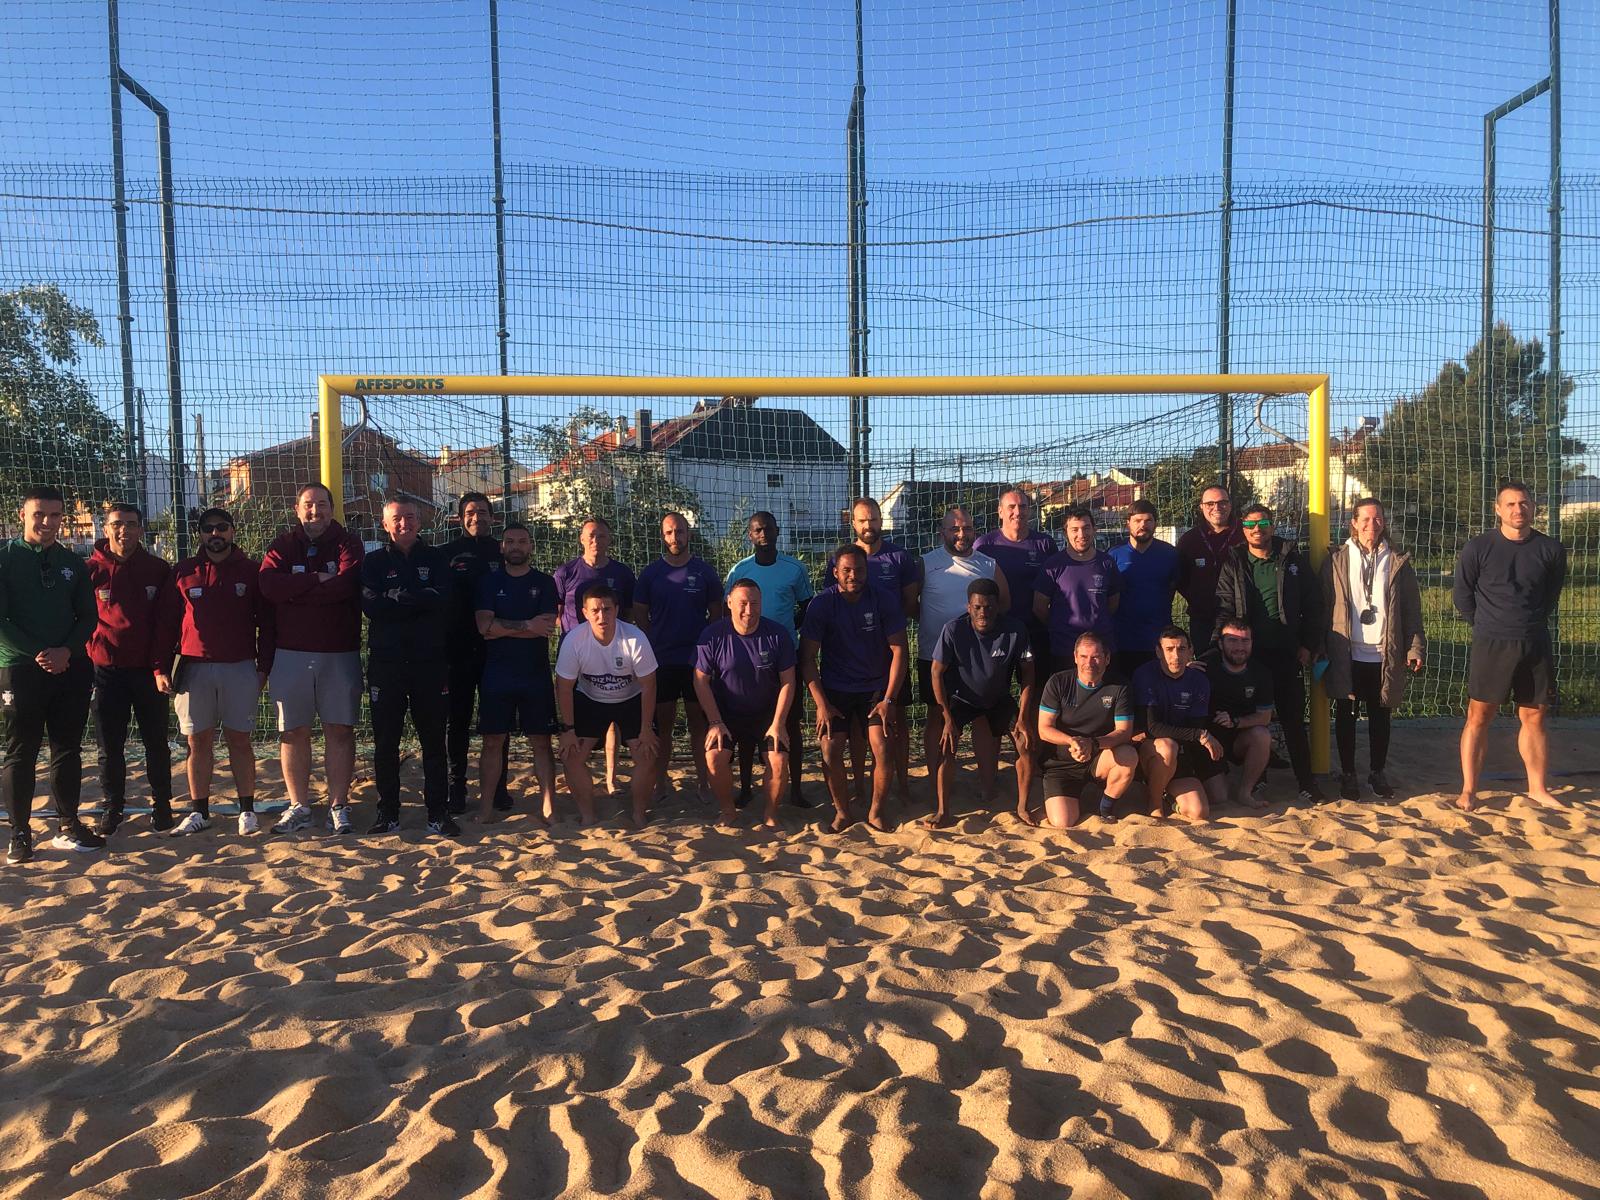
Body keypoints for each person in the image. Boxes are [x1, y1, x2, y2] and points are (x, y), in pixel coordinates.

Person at [156, 508, 272, 836]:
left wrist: (263, 668)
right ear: (200, 534)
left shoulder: (251, 572)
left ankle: (247, 809)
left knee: (240, 739)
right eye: (208, 529)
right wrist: (159, 669)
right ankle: (199, 812)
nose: (215, 534)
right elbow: (165, 626)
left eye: (222, 527)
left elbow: (267, 624)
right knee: (197, 741)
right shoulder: (183, 572)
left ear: (233, 531)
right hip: (193, 669)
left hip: (239, 667)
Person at [1, 486, 102, 863]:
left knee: (67, 747)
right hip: (20, 668)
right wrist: (40, 653)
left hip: (68, 666)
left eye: (55, 515)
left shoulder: (72, 561)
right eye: (39, 514)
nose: (47, 522)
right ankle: (20, 833)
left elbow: (88, 617)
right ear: (23, 515)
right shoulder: (5, 559)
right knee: (21, 751)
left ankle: (68, 824)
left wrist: (66, 651)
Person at [1454, 480, 1567, 812]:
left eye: (1524, 503)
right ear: (1498, 509)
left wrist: (1526, 623)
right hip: (1491, 641)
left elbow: (1550, 597)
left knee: (1534, 716)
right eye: (1511, 504)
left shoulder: (1551, 550)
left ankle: (1538, 788)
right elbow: (1462, 595)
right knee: (1479, 715)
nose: (1519, 510)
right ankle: (1469, 790)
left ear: (1533, 507)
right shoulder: (1479, 547)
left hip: (1534, 641)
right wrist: (1487, 625)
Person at [259, 482, 365, 836]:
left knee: (339, 729)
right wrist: (317, 580)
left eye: (321, 504)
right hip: (290, 652)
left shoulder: (349, 543)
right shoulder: (283, 545)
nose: (314, 511)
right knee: (293, 732)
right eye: (308, 505)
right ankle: (299, 806)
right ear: (297, 508)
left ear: (332, 509)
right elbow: (269, 587)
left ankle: (338, 805)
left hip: (340, 651)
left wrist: (297, 588)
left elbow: (345, 586)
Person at [1214, 502, 1324, 801]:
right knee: (1253, 718)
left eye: (1262, 524)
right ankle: (1257, 778)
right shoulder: (1234, 561)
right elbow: (1225, 605)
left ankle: (1306, 781)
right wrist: (1221, 644)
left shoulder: (1292, 559)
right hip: (1248, 654)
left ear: (1272, 527)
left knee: (1292, 719)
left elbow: (1313, 606)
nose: (1256, 530)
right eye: (1250, 525)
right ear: (1242, 529)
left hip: (1286, 651)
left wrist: (1308, 644)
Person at [1320, 497, 1425, 801]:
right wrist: (1317, 645)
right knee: (1346, 714)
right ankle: (1349, 774)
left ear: (1383, 523)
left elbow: (1412, 610)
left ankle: (1377, 772)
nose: (1371, 525)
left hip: (1382, 653)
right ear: (1353, 523)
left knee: (1381, 715)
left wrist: (1414, 647)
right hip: (1346, 652)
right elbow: (1321, 607)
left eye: (1377, 519)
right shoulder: (1337, 559)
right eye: (1364, 519)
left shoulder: (1397, 561)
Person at [360, 498, 454, 837]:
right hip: (387, 665)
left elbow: (442, 600)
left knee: (433, 741)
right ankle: (388, 813)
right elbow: (372, 607)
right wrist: (417, 598)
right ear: (385, 524)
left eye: (410, 518)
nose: (404, 524)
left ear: (420, 521)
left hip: (430, 663)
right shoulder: (372, 562)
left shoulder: (437, 558)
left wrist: (398, 597)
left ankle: (438, 813)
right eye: (397, 519)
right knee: (386, 742)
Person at [800, 544, 909, 833]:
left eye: (859, 570)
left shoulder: (883, 600)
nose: (853, 575)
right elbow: (807, 659)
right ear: (835, 572)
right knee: (830, 749)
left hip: (875, 688)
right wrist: (821, 704)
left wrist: (889, 699)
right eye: (846, 570)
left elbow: (900, 651)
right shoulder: (822, 604)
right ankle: (842, 812)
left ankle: (876, 812)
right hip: (836, 689)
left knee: (883, 747)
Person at [822, 498, 918, 805]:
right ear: (853, 523)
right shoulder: (838, 561)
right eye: (863, 521)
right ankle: (860, 786)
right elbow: (831, 600)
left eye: (874, 520)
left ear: (881, 521)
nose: (869, 526)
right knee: (855, 729)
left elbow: (908, 603)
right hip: (851, 660)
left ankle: (902, 784)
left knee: (895, 725)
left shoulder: (899, 557)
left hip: (890, 656)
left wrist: (883, 631)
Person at [86, 503, 173, 836]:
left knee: (157, 743)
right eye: (117, 524)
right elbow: (79, 618)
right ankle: (113, 807)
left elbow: (165, 625)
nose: (124, 530)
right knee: (110, 745)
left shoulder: (157, 569)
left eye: (131, 524)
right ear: (106, 530)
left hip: (148, 671)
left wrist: (160, 666)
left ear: (141, 529)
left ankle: (162, 805)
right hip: (106, 671)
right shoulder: (91, 570)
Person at [913, 506, 1009, 806]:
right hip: (935, 654)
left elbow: (1004, 603)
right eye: (954, 529)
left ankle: (987, 784)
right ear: (942, 532)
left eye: (966, 528)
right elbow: (909, 603)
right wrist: (938, 628)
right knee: (937, 718)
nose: (961, 534)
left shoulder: (988, 564)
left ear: (974, 531)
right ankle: (936, 781)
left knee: (981, 720)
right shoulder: (926, 563)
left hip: (977, 660)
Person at [926, 578, 1036, 829]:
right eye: (977, 607)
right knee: (946, 745)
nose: (983, 612)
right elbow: (936, 673)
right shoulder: (954, 630)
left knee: (1025, 744)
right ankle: (943, 810)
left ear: (997, 606)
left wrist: (1023, 717)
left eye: (988, 606)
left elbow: (1028, 674)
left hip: (999, 698)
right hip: (962, 698)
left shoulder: (1015, 629)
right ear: (968, 607)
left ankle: (1022, 807)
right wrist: (946, 718)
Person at [723, 510, 813, 808]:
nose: (763, 535)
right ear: (750, 535)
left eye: (768, 530)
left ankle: (796, 790)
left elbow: (807, 607)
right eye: (757, 530)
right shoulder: (740, 571)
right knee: (749, 726)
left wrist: (783, 632)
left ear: (777, 531)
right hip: (748, 659)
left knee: (791, 724)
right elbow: (730, 611)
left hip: (784, 658)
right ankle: (747, 787)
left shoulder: (794, 568)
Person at [634, 512, 724, 805]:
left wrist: (706, 646)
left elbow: (716, 613)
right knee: (664, 723)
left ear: (689, 534)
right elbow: (639, 612)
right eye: (670, 532)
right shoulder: (651, 574)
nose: (676, 538)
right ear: (663, 536)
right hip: (662, 660)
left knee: (700, 723)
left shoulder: (705, 572)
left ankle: (703, 782)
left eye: (680, 532)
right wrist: (652, 642)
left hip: (696, 661)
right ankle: (660, 782)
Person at [693, 578, 797, 828]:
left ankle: (771, 813)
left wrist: (779, 723)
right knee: (715, 757)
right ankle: (728, 811)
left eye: (754, 603)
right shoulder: (712, 635)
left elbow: (788, 681)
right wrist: (715, 721)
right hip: (727, 714)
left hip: (766, 715)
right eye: (742, 603)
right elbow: (700, 681)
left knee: (779, 759)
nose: (749, 610)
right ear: (729, 603)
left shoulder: (777, 634)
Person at [474, 523, 559, 826]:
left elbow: (546, 626)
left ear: (531, 546)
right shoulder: (489, 582)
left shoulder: (545, 583)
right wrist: (526, 625)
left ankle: (548, 803)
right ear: (502, 546)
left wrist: (505, 627)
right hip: (497, 674)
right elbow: (484, 627)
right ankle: (486, 807)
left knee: (541, 742)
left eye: (522, 541)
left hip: (534, 674)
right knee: (493, 741)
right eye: (510, 541)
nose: (516, 547)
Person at [554, 584, 658, 826]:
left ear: (617, 610)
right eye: (596, 610)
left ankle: (639, 813)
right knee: (571, 755)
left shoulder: (635, 637)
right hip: (590, 699)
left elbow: (649, 685)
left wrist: (645, 728)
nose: (602, 616)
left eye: (607, 609)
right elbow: (564, 687)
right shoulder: (574, 640)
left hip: (631, 698)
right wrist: (568, 730)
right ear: (585, 612)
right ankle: (588, 815)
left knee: (648, 752)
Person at [554, 517, 636, 796]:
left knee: (612, 716)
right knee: (576, 719)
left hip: (612, 652)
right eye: (590, 535)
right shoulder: (566, 572)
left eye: (601, 535)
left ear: (609, 539)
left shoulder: (622, 574)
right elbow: (554, 612)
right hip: (575, 654)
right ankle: (576, 773)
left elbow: (629, 613)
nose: (595, 541)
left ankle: (611, 778)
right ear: (581, 538)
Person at [442, 492, 507, 815]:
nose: (476, 517)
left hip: (496, 649)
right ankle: (456, 788)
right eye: (470, 512)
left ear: (492, 517)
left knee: (497, 720)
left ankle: (499, 788)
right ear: (460, 517)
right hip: (457, 649)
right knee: (458, 721)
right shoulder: (447, 554)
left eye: (482, 511)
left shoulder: (504, 551)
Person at [1035, 631, 1136, 829]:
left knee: (1128, 755)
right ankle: (1072, 796)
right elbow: (1044, 729)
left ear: (1107, 659)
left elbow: (1124, 731)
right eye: (1083, 656)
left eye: (1096, 657)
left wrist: (1093, 744)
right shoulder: (1058, 682)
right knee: (1063, 822)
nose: (1089, 662)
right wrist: (1072, 741)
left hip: (1099, 757)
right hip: (1061, 764)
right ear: (1075, 657)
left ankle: (1105, 808)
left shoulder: (1120, 686)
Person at [1131, 626, 1222, 821]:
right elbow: (1152, 727)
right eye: (1169, 649)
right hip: (1150, 750)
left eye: (1181, 649)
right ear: (1158, 652)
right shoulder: (1145, 675)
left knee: (1201, 811)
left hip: (1181, 750)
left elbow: (1196, 724)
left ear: (1190, 651)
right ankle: (1154, 803)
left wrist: (1199, 736)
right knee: (1167, 745)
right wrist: (1199, 735)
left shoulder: (1199, 681)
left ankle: (1168, 797)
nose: (1176, 656)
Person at [1033, 506, 1122, 678]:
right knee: (1067, 701)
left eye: (1086, 528)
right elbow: (1039, 607)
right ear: (1065, 532)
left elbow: (1113, 603)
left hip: (1101, 649)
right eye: (1075, 529)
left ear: (1094, 529)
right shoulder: (1054, 565)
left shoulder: (1107, 563)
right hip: (1065, 649)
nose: (1081, 534)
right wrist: (1061, 626)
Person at [1200, 617, 1275, 810]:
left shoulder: (1261, 673)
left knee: (1262, 735)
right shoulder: (1204, 667)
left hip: (1239, 737)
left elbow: (1264, 717)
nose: (1239, 646)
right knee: (1219, 797)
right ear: (1220, 643)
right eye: (1232, 640)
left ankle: (1245, 792)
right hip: (1207, 739)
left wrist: (1234, 722)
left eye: (1245, 641)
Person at [1110, 499, 1179, 680]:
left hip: (1158, 639)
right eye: (1138, 520)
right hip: (1123, 639)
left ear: (1155, 523)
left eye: (1148, 520)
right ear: (1128, 523)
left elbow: (1174, 588)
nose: (1143, 525)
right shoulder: (1114, 555)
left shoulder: (1170, 554)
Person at [1176, 484, 1243, 651]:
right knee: (1206, 666)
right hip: (1202, 618)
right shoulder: (1190, 539)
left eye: (1222, 502)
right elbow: (1180, 578)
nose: (1216, 508)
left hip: (1241, 617)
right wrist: (1197, 597)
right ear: (1201, 507)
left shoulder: (1244, 534)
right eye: (1210, 504)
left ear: (1230, 505)